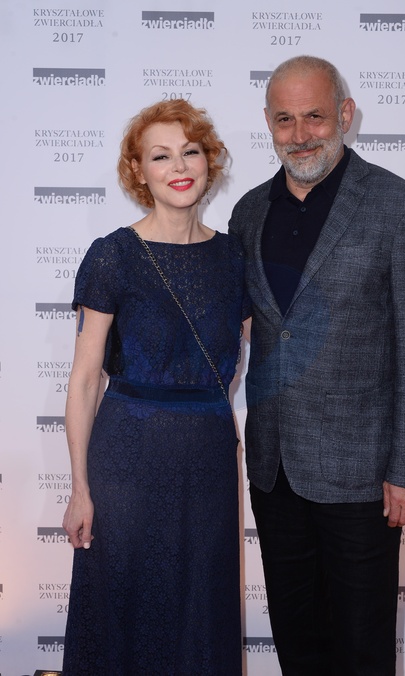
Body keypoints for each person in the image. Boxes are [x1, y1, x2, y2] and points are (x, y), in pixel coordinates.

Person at [229, 55, 405, 675]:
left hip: (364, 477)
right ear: (268, 123)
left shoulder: (398, 205)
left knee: (361, 649)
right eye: (285, 119)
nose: (300, 134)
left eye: (315, 117)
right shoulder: (249, 212)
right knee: (297, 644)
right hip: (274, 470)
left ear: (345, 115)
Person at [62, 99, 249, 675]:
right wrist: (80, 488)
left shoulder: (233, 257)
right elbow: (85, 379)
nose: (179, 166)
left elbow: (257, 353)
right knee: (122, 602)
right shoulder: (113, 256)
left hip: (208, 459)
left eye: (190, 151)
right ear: (138, 171)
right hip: (128, 457)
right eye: (160, 156)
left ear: (208, 161)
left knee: (201, 606)